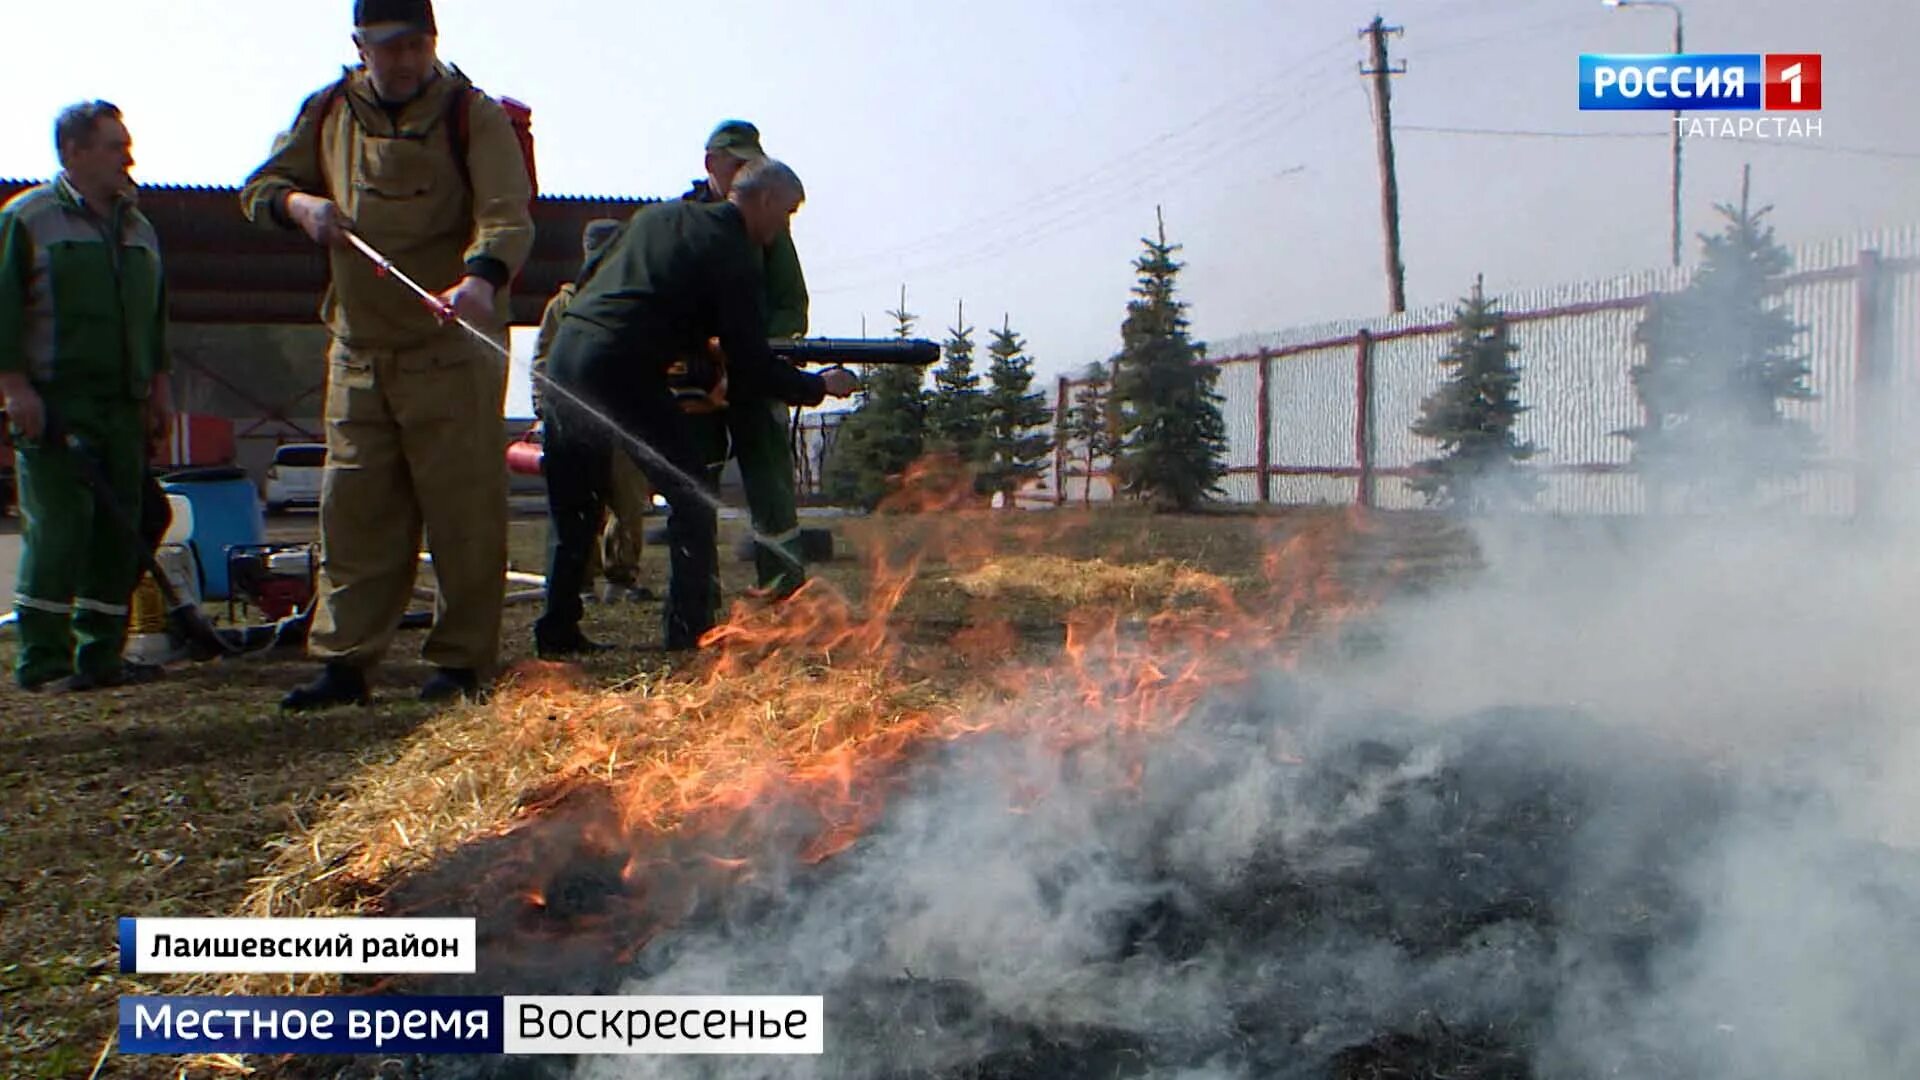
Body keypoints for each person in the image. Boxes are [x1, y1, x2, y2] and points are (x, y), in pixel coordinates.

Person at [239, 0, 534, 709]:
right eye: (388, 46)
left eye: (417, 45)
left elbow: (507, 213)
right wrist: (301, 209)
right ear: (359, 45)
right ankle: (346, 663)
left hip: (452, 350)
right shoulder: (328, 111)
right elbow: (258, 190)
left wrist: (481, 280)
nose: (404, 60)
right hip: (359, 352)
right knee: (354, 510)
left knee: (463, 512)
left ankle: (461, 663)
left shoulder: (474, 115)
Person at [536, 158, 857, 653]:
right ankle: (688, 632)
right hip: (623, 372)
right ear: (765, 200)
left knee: (575, 510)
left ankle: (556, 633)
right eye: (787, 214)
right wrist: (817, 387)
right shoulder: (734, 250)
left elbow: (609, 287)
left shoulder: (657, 217)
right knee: (690, 496)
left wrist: (693, 344)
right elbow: (750, 361)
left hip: (566, 361)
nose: (782, 229)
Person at [0, 101, 173, 692]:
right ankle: (43, 662)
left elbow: (154, 320)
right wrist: (15, 387)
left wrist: (157, 389)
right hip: (54, 404)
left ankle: (101, 655)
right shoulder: (28, 220)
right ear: (72, 151)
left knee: (117, 529)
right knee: (60, 528)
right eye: (112, 144)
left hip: (123, 406)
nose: (127, 155)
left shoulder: (139, 228)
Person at [680, 120, 812, 598]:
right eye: (735, 162)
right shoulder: (684, 220)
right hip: (697, 380)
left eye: (750, 164)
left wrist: (758, 351)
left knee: (772, 485)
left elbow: (791, 303)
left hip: (754, 375)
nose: (742, 171)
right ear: (711, 163)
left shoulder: (770, 225)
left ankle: (783, 593)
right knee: (693, 486)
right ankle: (696, 600)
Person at [528, 219, 653, 659]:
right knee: (572, 527)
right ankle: (561, 617)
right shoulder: (563, 305)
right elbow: (543, 362)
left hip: (615, 426)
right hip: (569, 427)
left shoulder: (623, 301)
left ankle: (620, 578)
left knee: (625, 503)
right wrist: (545, 411)